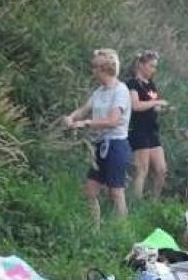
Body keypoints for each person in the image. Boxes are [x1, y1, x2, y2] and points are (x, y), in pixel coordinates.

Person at [63, 49, 131, 225]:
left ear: (105, 68)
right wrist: (71, 117)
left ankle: (122, 231)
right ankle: (95, 227)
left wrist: (86, 123)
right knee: (90, 191)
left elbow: (113, 121)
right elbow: (84, 109)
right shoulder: (99, 92)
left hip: (116, 145)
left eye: (94, 67)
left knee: (116, 192)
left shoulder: (121, 90)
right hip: (99, 145)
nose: (92, 71)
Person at [125, 51, 169, 201]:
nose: (153, 70)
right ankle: (135, 203)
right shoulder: (132, 84)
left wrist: (160, 108)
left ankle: (153, 201)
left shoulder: (151, 85)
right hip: (138, 129)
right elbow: (135, 105)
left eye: (155, 67)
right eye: (151, 66)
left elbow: (151, 105)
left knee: (161, 169)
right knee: (141, 169)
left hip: (152, 130)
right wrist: (155, 103)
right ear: (141, 65)